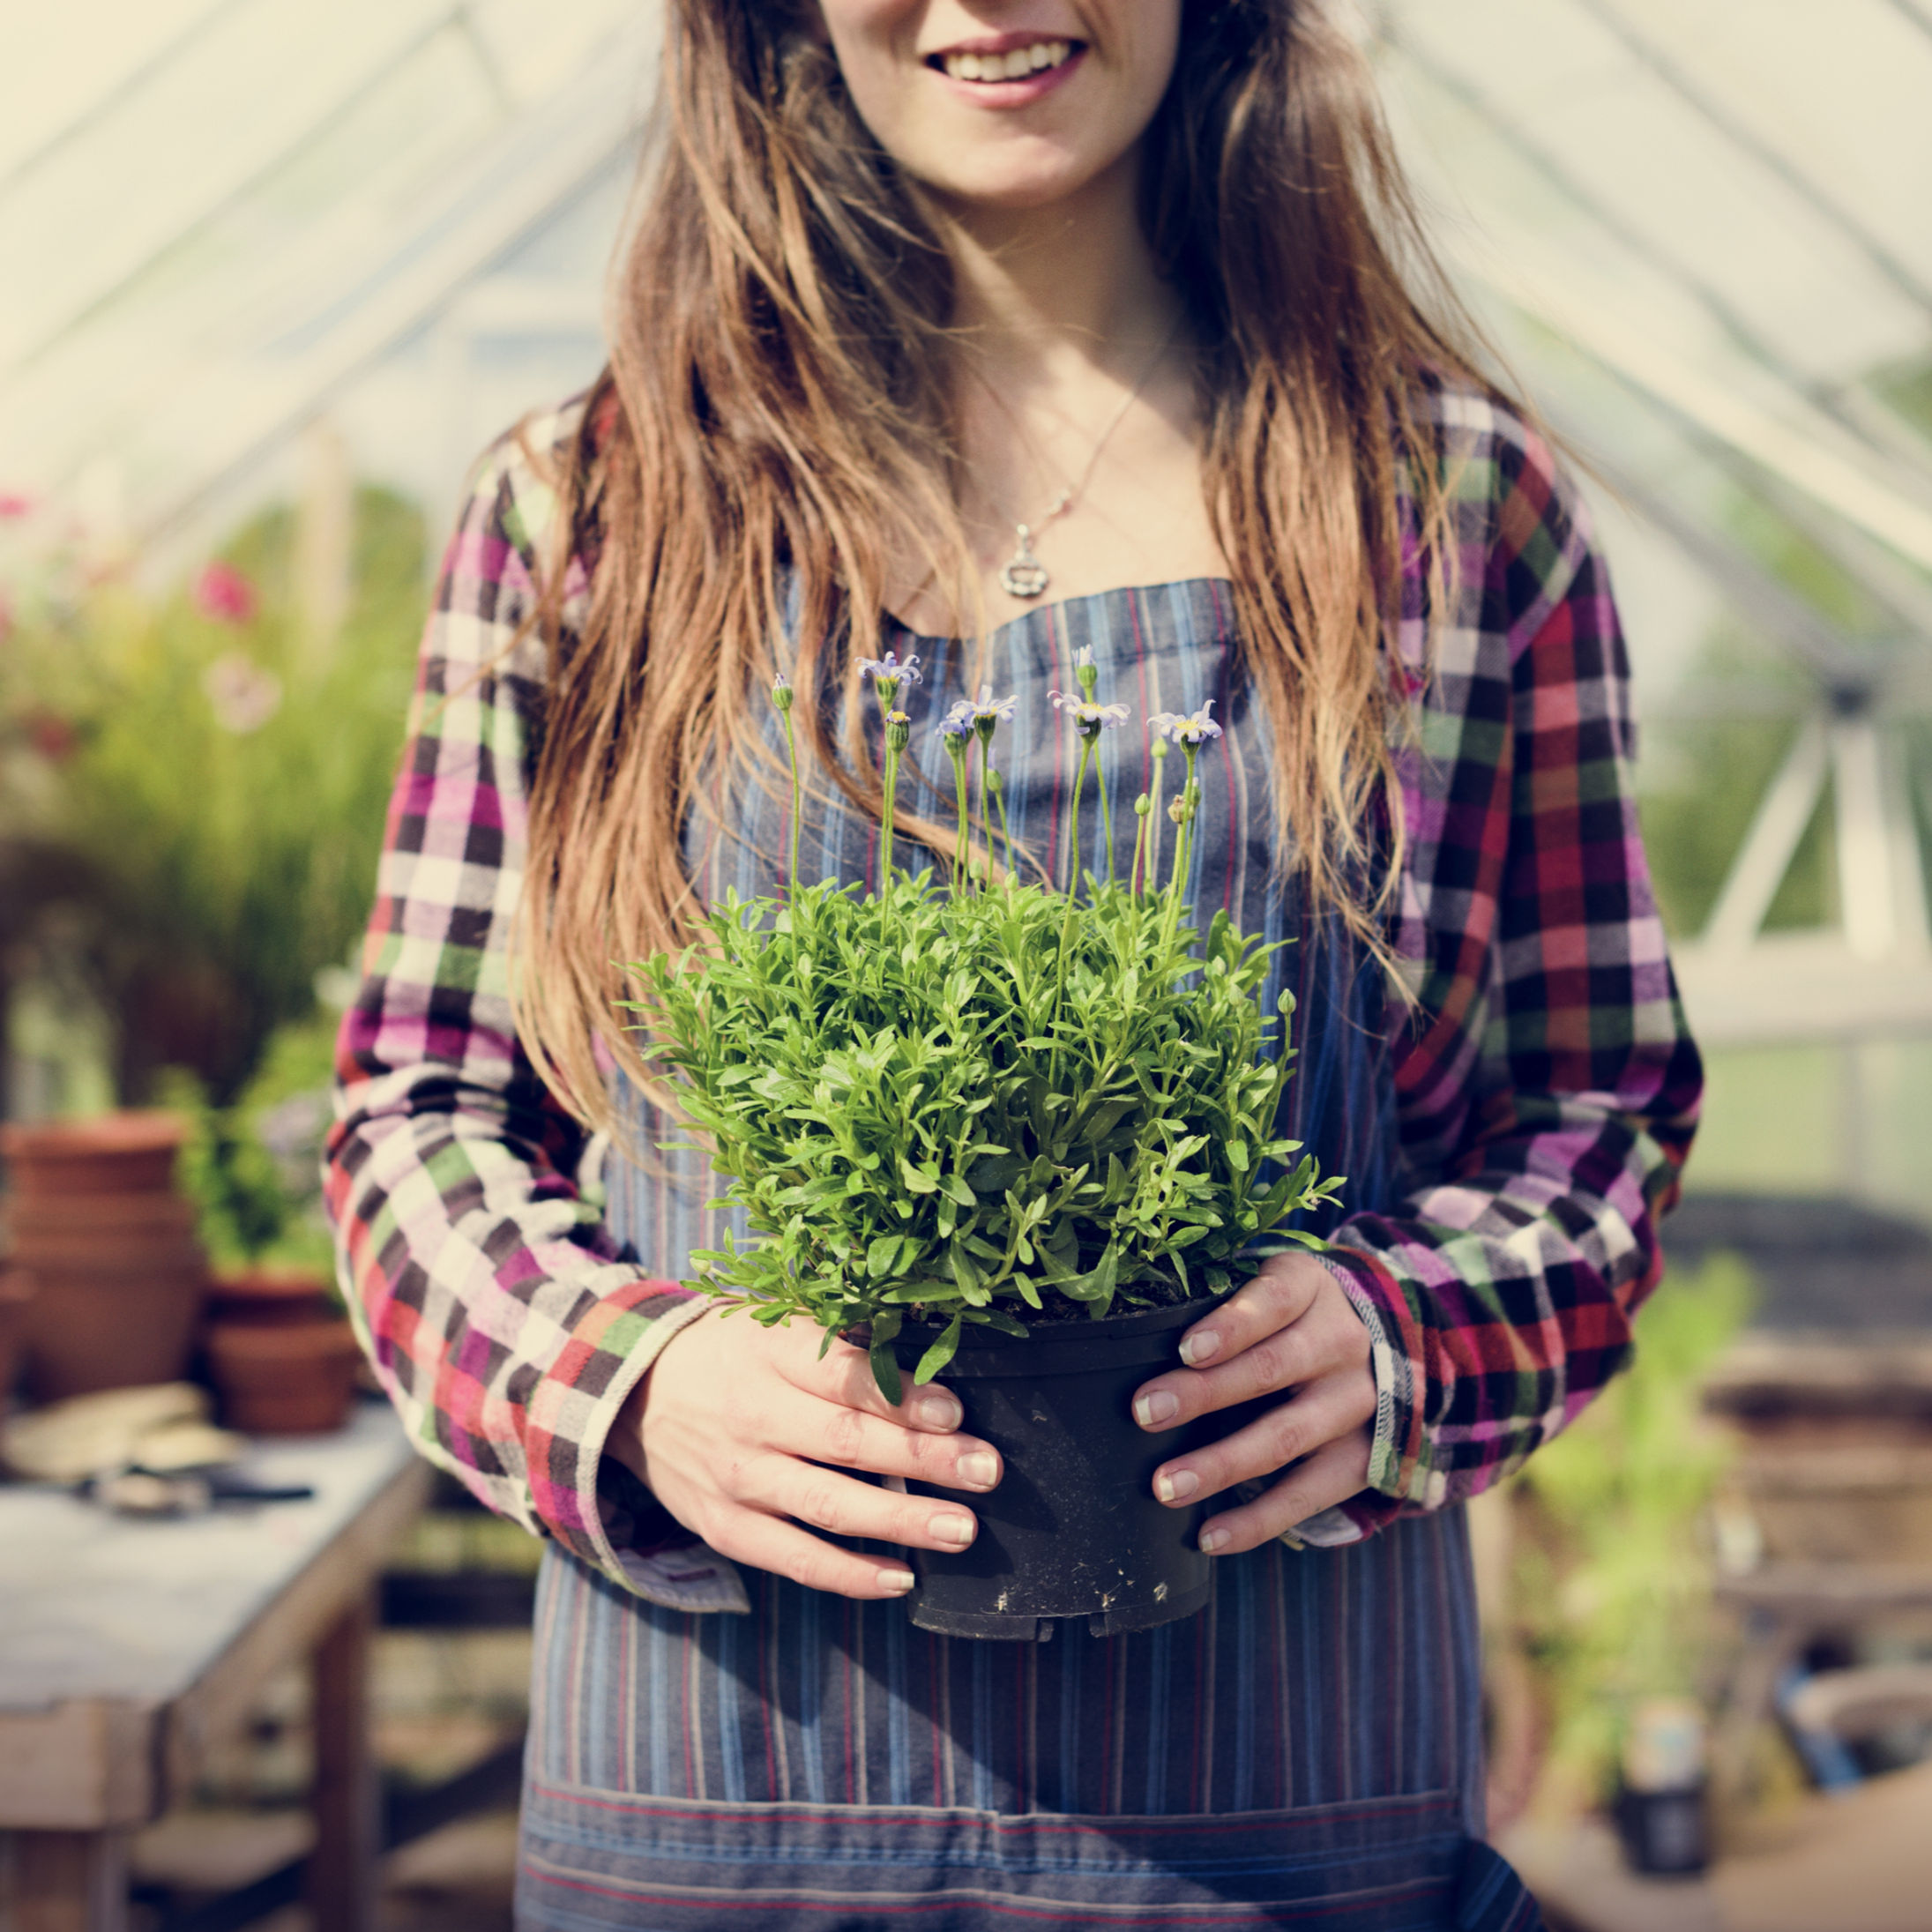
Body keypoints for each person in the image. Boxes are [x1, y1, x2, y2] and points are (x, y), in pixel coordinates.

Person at [327, 3, 1703, 1926]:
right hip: (716, 1820)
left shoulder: (1448, 515)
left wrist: (1397, 1337)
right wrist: (631, 1381)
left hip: (1273, 1835)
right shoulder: (594, 509)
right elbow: (420, 1108)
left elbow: (1599, 1112)